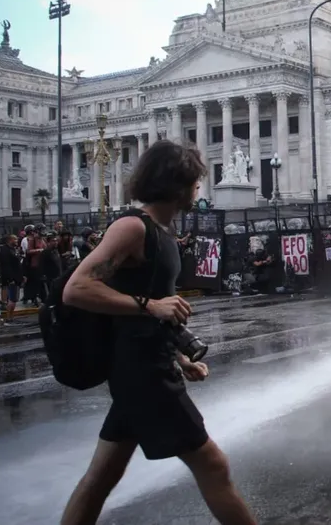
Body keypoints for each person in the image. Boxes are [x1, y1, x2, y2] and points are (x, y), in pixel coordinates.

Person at [59, 139, 255, 525]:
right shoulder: (133, 227)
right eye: (195, 180)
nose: (199, 187)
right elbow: (76, 289)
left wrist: (180, 356)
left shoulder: (163, 233)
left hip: (145, 365)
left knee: (101, 478)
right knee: (213, 465)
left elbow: (147, 307)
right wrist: (151, 306)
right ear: (177, 183)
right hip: (144, 373)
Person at [0, 234, 23, 323]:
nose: (16, 241)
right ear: (9, 240)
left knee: (14, 299)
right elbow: (6, 266)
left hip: (17, 277)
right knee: (12, 298)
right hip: (11, 278)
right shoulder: (5, 250)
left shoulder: (13, 249)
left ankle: (11, 316)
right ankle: (8, 317)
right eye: (14, 239)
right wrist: (10, 278)